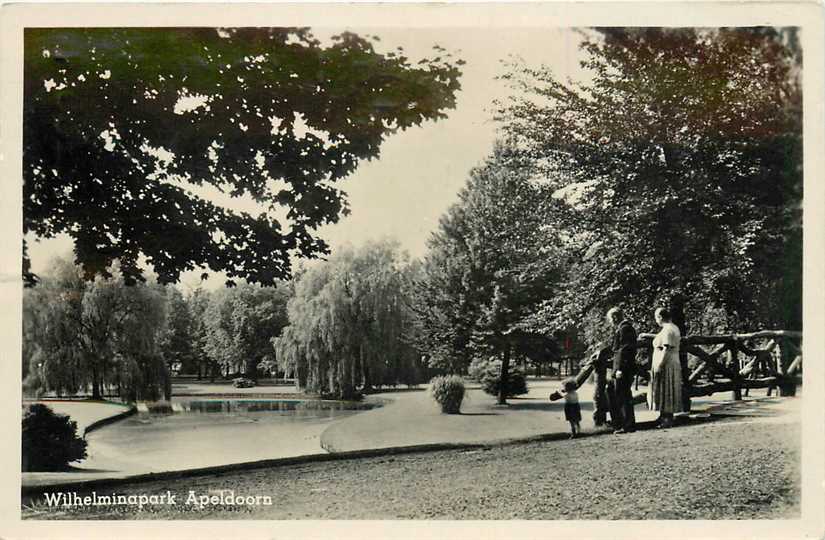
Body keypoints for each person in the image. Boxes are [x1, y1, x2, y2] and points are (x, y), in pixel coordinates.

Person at [647, 307, 683, 428]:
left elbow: (667, 348)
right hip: (672, 360)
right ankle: (664, 415)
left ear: (660, 317)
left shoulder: (668, 329)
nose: (656, 320)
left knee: (667, 388)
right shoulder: (673, 327)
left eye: (656, 318)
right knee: (666, 388)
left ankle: (667, 418)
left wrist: (660, 364)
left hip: (667, 362)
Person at [606, 307, 637, 434]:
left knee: (622, 396)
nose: (611, 322)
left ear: (614, 317)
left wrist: (619, 369)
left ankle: (626, 425)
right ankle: (620, 423)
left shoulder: (625, 328)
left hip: (623, 368)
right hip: (621, 367)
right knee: (616, 393)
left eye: (611, 319)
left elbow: (625, 351)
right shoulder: (623, 328)